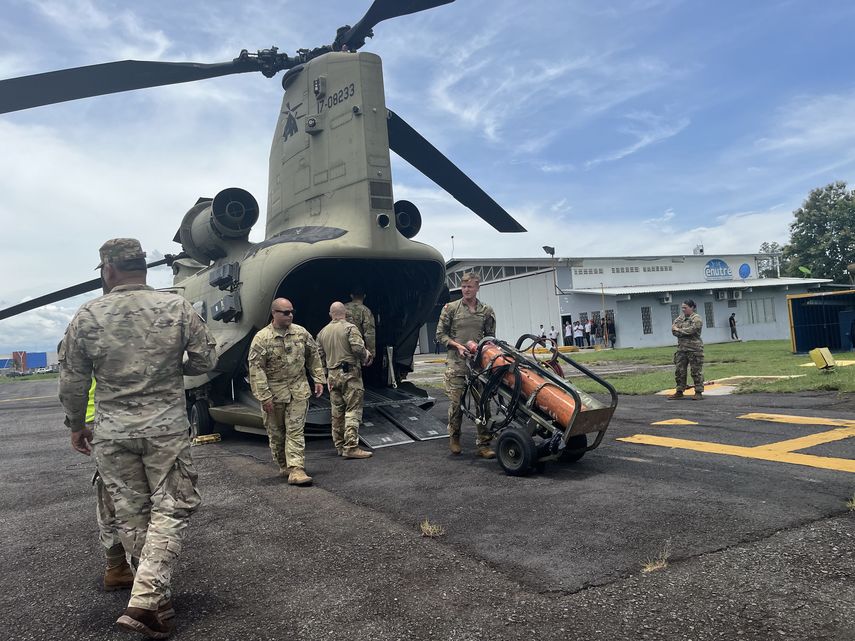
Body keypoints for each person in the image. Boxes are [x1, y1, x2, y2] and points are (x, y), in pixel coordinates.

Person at [59, 238, 217, 639]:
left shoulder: (88, 315)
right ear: (143, 268)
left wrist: (76, 424)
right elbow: (206, 359)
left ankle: (156, 604)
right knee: (172, 506)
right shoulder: (176, 307)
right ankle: (147, 599)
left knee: (131, 513)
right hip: (165, 429)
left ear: (109, 270)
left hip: (113, 433)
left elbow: (73, 381)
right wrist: (170, 367)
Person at [248, 298, 326, 486]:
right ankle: (284, 465)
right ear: (274, 313)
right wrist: (264, 396)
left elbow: (313, 355)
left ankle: (297, 468)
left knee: (295, 430)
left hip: (298, 390)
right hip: (274, 394)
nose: (290, 315)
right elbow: (256, 369)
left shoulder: (301, 333)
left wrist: (318, 378)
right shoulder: (262, 338)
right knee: (276, 433)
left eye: (292, 312)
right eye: (285, 312)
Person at [436, 272, 497, 458]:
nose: (466, 290)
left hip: (478, 367)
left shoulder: (486, 310)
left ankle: (484, 444)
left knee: (483, 405)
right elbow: (440, 335)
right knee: (456, 405)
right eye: (463, 287)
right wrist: (457, 346)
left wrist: (485, 352)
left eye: (470, 286)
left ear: (477, 287)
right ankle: (454, 438)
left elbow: (490, 338)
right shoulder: (451, 309)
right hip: (456, 365)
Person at [316, 302, 373, 459]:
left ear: (330, 314)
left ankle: (340, 446)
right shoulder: (350, 328)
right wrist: (366, 356)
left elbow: (319, 356)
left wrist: (324, 375)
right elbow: (357, 348)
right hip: (350, 375)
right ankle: (351, 446)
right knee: (353, 409)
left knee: (337, 412)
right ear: (346, 313)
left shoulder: (322, 333)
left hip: (332, 376)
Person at [668, 299, 705, 400]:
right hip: (682, 349)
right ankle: (679, 391)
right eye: (682, 308)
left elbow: (693, 330)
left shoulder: (696, 318)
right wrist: (680, 331)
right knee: (679, 371)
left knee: (696, 371)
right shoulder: (680, 318)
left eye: (685, 307)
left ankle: (698, 392)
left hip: (694, 349)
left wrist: (679, 330)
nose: (683, 309)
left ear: (692, 307)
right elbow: (674, 330)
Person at [344, 286, 376, 356]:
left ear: (351, 296)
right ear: (364, 296)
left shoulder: (342, 308)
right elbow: (369, 333)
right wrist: (371, 353)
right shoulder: (366, 311)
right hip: (357, 347)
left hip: (341, 346)